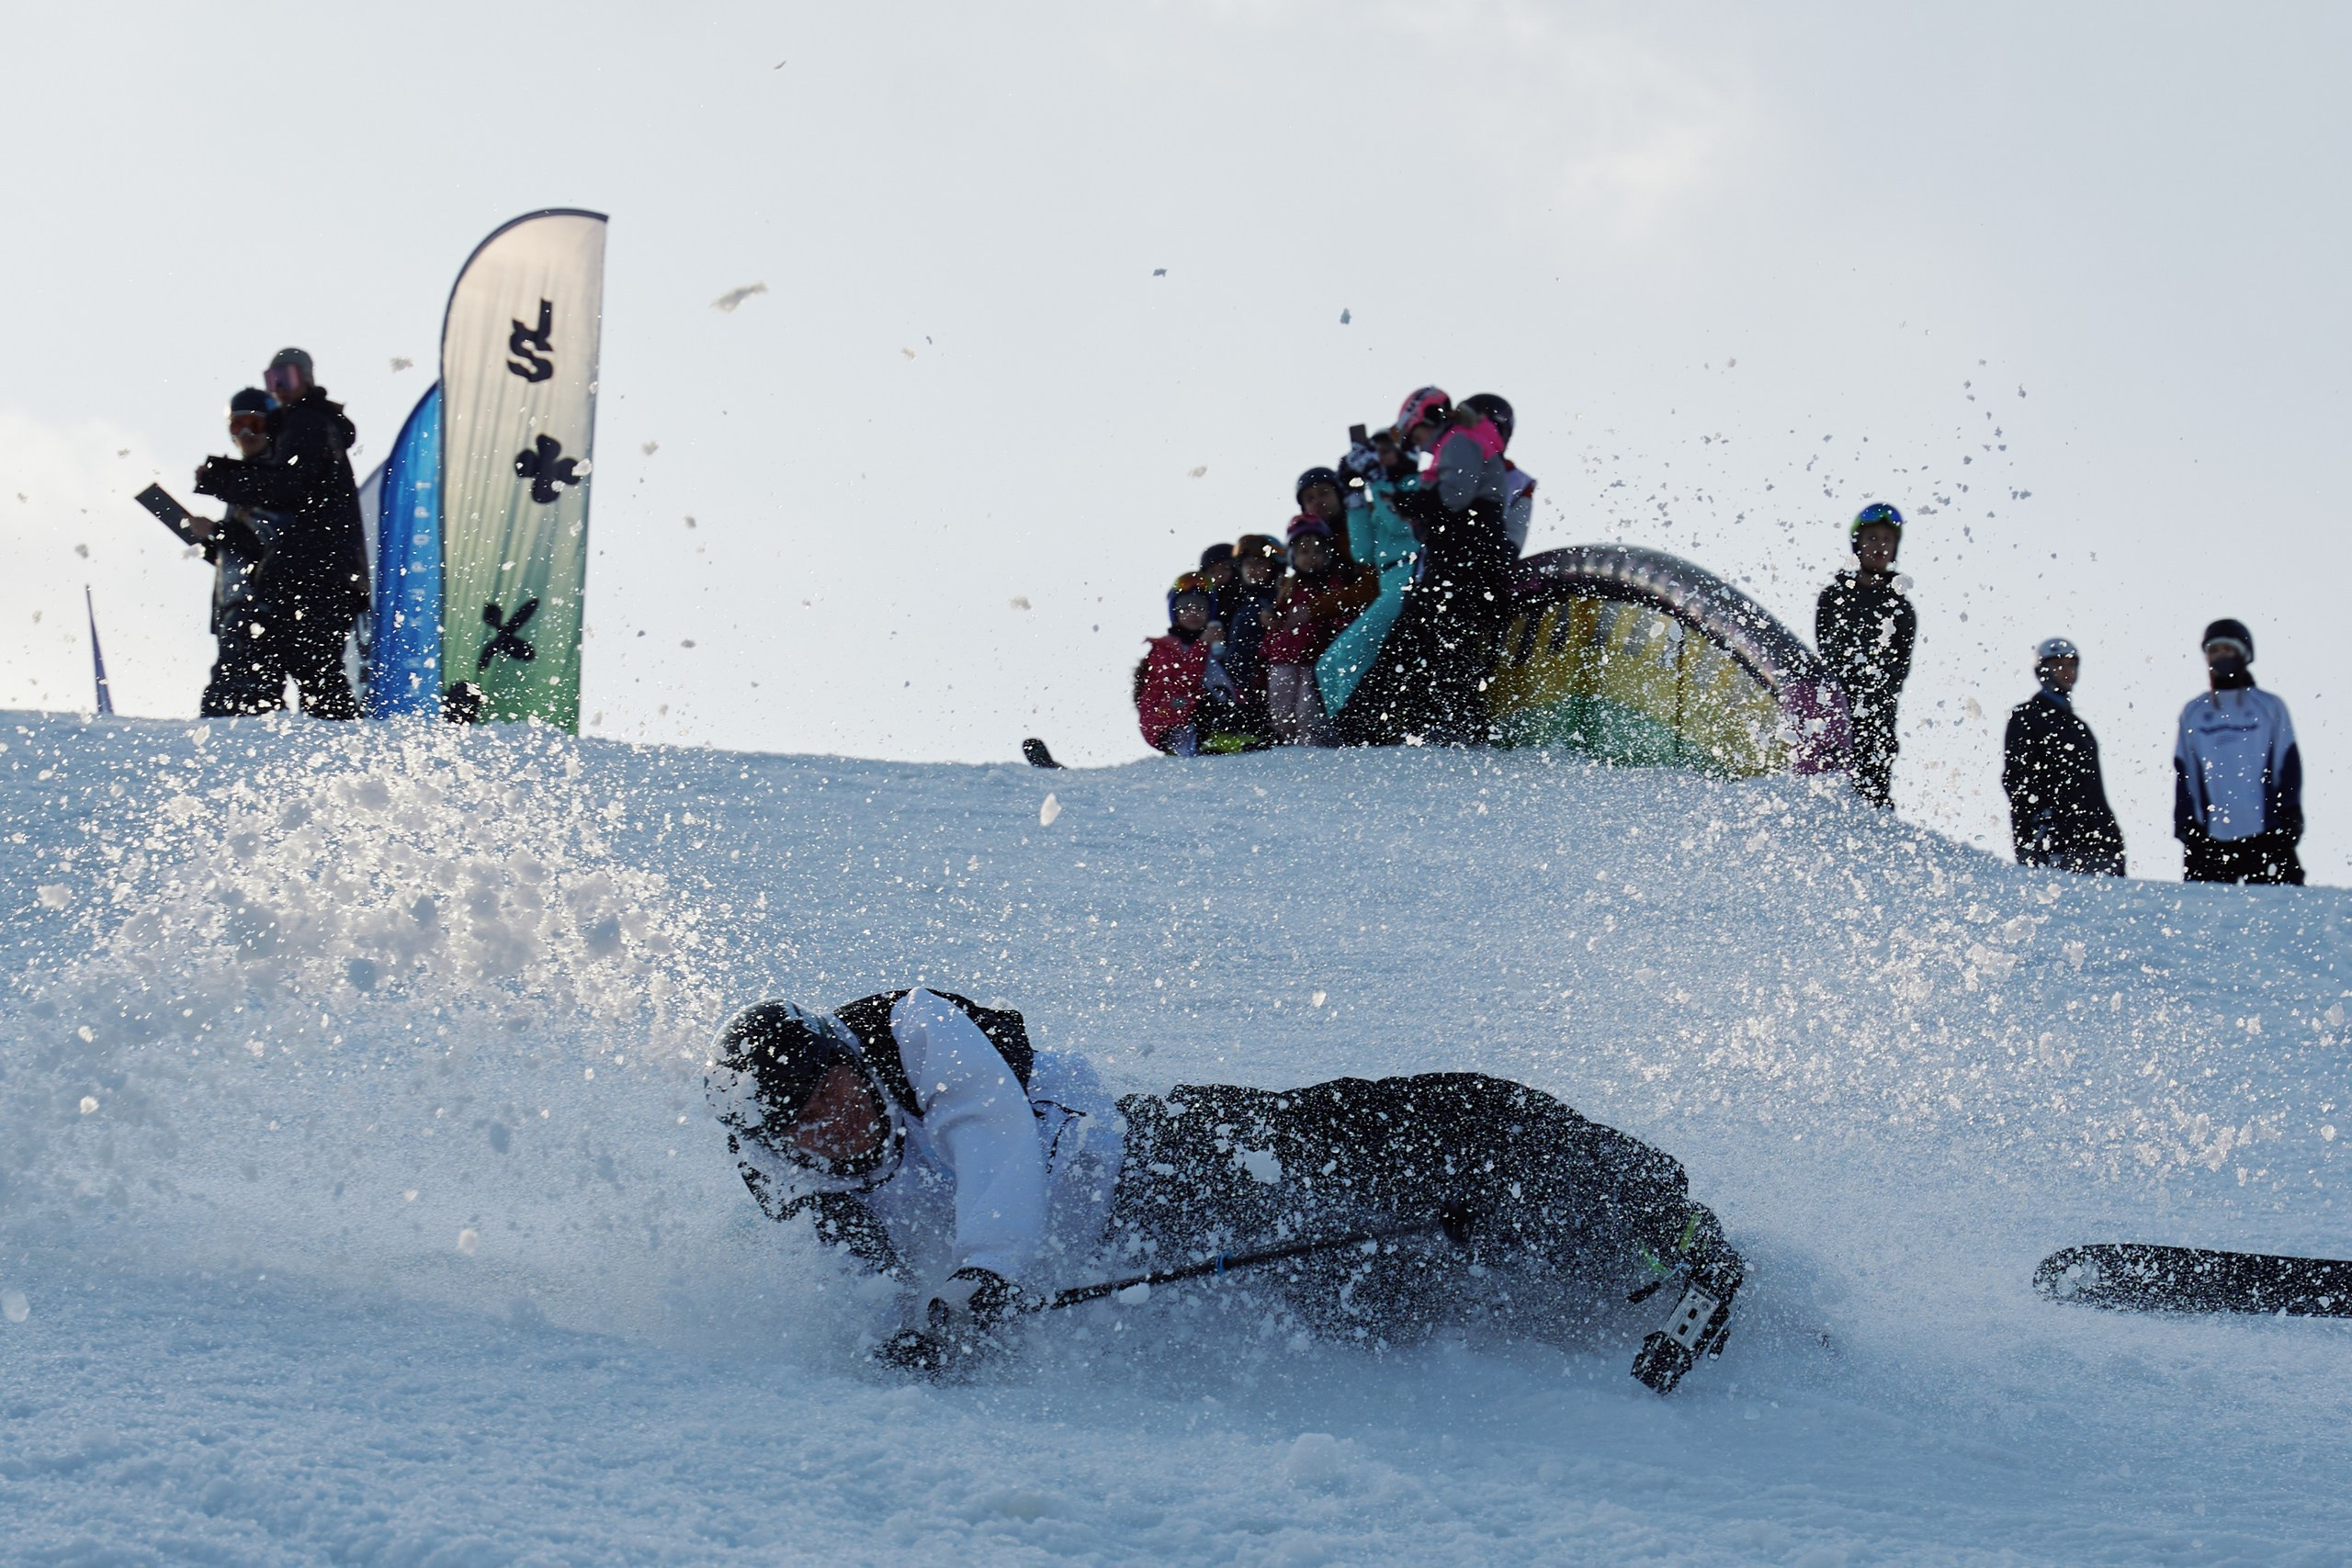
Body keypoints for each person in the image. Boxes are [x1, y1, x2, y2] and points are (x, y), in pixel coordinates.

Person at [704, 986, 1746, 1394]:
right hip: (1147, 1265)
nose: (837, 1120)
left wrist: (978, 1279)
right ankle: (1584, 1295)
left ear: (844, 1053)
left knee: (1438, 1123)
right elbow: (856, 1297)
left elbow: (994, 1138)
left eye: (835, 1088)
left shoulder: (912, 1028)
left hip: (1170, 1156)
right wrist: (917, 1337)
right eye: (806, 1121)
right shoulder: (793, 1183)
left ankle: (1660, 1219)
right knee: (1386, 1283)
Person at [193, 348, 370, 720]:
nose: (280, 387)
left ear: (307, 377)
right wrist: (214, 538)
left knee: (296, 669)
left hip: (307, 576)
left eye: (287, 378)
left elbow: (288, 488)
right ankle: (320, 736)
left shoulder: (305, 424)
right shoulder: (298, 434)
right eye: (273, 380)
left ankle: (266, 732)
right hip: (303, 577)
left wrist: (221, 482)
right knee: (304, 669)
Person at [1344, 392, 1518, 745]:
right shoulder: (1455, 446)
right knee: (1412, 641)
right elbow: (1427, 517)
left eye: (1415, 434)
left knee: (1444, 648)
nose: (1417, 444)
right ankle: (1364, 725)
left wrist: (1400, 496)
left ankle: (1456, 732)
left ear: (1428, 419)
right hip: (1452, 565)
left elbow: (1453, 498)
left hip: (1464, 566)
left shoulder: (1460, 441)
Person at [1321, 389, 1445, 744]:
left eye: (1386, 452)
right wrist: (1354, 497)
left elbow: (1401, 524)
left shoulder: (1417, 486)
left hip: (1410, 576)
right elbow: (1363, 552)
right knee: (1331, 663)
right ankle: (1351, 728)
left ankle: (1353, 732)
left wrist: (1376, 480)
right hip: (1389, 582)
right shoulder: (1383, 494)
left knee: (1346, 656)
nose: (1380, 459)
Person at [2174, 618, 2303, 885]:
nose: (2221, 656)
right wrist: (2185, 823)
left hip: (2266, 833)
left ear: (2244, 654)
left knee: (2284, 905)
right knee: (2205, 909)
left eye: (2228, 649)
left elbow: (2288, 761)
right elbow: (2184, 769)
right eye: (2214, 650)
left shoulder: (2268, 706)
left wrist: (2290, 813)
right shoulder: (2194, 712)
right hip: (2210, 838)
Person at [187, 388, 288, 716]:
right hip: (234, 606)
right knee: (238, 695)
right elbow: (238, 552)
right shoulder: (242, 483)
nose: (246, 435)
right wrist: (209, 543)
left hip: (258, 606)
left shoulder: (268, 479)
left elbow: (269, 544)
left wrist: (215, 531)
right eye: (237, 426)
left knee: (242, 696)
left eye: (254, 425)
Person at [1815, 503, 1917, 807]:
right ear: (1858, 544)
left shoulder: (1901, 607)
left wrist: (1876, 686)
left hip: (1877, 713)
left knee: (1873, 786)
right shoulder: (1834, 596)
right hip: (1836, 708)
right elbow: (1824, 650)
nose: (1879, 546)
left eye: (1887, 539)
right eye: (1872, 538)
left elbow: (1900, 667)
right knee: (1827, 783)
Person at [2002, 637, 2125, 876]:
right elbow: (2017, 777)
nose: (2066, 671)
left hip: (2096, 842)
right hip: (2052, 842)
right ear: (2042, 670)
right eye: (2058, 665)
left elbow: (2095, 791)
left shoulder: (2080, 729)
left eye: (2071, 665)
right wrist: (2038, 824)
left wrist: (2113, 838)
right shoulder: (2026, 716)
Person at [1262, 516, 1375, 744]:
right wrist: (1270, 625)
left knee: (1308, 709)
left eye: (1318, 551)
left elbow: (1341, 615)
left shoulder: (1333, 586)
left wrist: (1334, 625)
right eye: (1304, 552)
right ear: (1293, 556)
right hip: (1283, 660)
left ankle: (1310, 747)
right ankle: (1283, 745)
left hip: (1313, 660)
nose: (1311, 557)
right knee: (1281, 707)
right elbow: (1278, 619)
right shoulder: (1289, 586)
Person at [1136, 577, 1253, 756]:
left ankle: (1231, 733)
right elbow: (1183, 682)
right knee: (1204, 703)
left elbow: (1224, 682)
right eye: (1185, 608)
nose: (1194, 613)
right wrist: (1203, 645)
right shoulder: (1165, 649)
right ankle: (1206, 739)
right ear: (1175, 613)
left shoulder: (1211, 647)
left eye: (1201, 608)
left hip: (1206, 715)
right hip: (1174, 721)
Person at [1217, 534, 1286, 733]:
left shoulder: (1278, 599)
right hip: (1240, 682)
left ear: (1274, 567)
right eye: (1248, 564)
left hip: (1264, 682)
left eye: (1260, 563)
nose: (1253, 569)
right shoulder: (1240, 602)